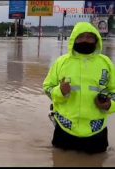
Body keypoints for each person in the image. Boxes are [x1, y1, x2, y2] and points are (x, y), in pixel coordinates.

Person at [43, 22, 115, 154]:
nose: (85, 40)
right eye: (81, 36)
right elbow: (47, 88)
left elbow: (113, 91)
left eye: (89, 37)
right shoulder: (61, 62)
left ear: (96, 39)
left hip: (96, 130)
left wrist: (109, 105)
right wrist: (60, 91)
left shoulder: (106, 63)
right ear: (74, 39)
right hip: (65, 128)